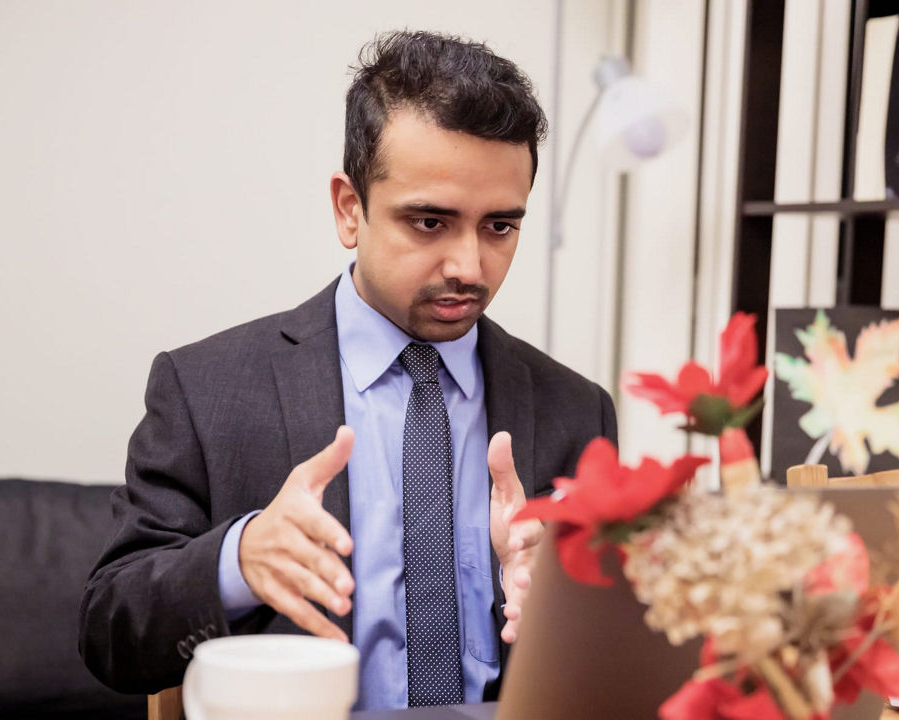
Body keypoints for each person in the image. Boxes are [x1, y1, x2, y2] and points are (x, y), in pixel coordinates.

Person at [78, 30, 616, 710]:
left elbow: (618, 669)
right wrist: (238, 563)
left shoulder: (577, 410)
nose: (470, 268)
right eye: (429, 222)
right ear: (349, 208)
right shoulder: (207, 389)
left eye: (500, 227)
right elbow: (109, 634)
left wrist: (572, 610)